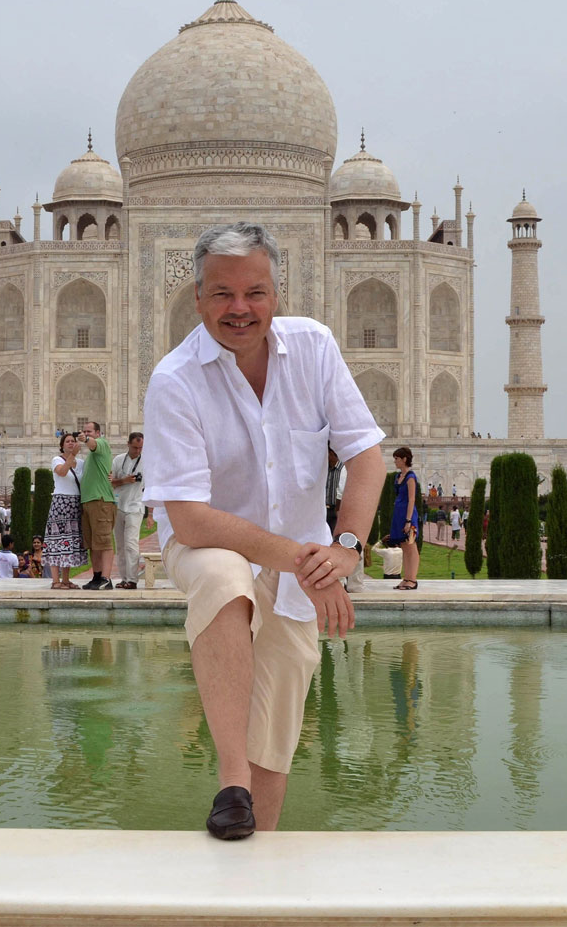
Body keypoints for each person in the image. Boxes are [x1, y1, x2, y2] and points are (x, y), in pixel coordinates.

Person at [142, 221, 385, 840]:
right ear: (196, 299)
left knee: (276, 720)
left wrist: (347, 549)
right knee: (226, 575)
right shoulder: (175, 380)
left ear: (278, 293)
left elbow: (365, 457)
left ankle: (255, 844)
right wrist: (305, 558)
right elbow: (191, 518)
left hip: (298, 558)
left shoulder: (313, 347)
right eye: (222, 294)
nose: (240, 309)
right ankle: (230, 780)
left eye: (255, 292)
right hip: (206, 545)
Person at [78, 420, 117, 590]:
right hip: (88, 502)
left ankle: (106, 579)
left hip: (101, 501)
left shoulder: (102, 445)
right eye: (84, 431)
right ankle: (96, 576)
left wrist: (86, 439)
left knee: (105, 542)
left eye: (89, 431)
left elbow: (93, 445)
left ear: (98, 433)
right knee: (93, 544)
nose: (87, 433)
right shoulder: (90, 458)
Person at [44, 433, 86, 589]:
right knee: (57, 541)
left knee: (69, 542)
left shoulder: (81, 463)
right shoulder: (57, 460)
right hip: (60, 503)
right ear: (62, 445)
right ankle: (55, 581)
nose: (70, 443)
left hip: (74, 503)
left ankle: (66, 580)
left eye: (73, 441)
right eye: (67, 441)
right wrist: (71, 456)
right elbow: (61, 472)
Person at [110, 431, 146, 590]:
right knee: (120, 545)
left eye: (140, 448)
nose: (138, 451)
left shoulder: (147, 462)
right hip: (118, 505)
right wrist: (124, 480)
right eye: (135, 447)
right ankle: (124, 578)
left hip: (135, 506)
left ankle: (132, 579)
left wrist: (150, 514)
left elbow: (151, 488)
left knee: (131, 543)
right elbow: (111, 483)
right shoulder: (118, 460)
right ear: (128, 444)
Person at [384, 447, 420, 590]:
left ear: (404, 459)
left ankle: (413, 579)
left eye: (397, 459)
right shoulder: (398, 477)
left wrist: (408, 520)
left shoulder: (411, 477)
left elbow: (411, 499)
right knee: (404, 548)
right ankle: (406, 578)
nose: (395, 461)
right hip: (399, 515)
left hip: (408, 516)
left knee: (411, 547)